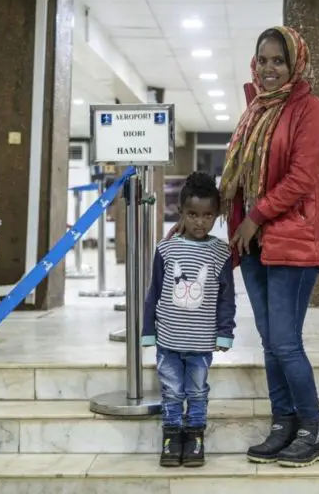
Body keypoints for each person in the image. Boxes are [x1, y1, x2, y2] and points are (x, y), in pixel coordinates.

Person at [221, 25, 319, 467]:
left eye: (279, 61)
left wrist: (255, 216)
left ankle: (313, 429)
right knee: (270, 342)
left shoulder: (313, 112)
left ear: (296, 64)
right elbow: (236, 178)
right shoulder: (254, 112)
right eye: (263, 60)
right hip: (254, 244)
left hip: (293, 242)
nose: (269, 69)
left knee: (286, 342)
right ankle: (283, 423)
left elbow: (301, 179)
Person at [142, 171, 236, 468]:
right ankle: (172, 436)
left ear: (216, 215)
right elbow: (153, 292)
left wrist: (225, 332)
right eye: (192, 214)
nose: (200, 221)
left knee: (197, 391)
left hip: (201, 342)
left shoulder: (221, 252)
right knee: (171, 391)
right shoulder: (166, 248)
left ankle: (195, 436)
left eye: (208, 215)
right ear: (180, 212)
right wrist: (148, 331)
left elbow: (226, 298)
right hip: (168, 340)